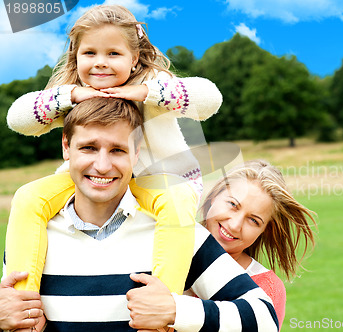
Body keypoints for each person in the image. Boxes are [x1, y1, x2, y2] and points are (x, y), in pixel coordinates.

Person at [1, 97, 278, 332]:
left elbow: (266, 318)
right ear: (66, 147)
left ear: (136, 154)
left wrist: (176, 311)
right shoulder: (34, 235)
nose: (102, 164)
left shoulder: (179, 233)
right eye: (88, 147)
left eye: (118, 150)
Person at [5, 4, 222, 296]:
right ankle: (22, 298)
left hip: (159, 180)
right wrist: (70, 95)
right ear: (76, 56)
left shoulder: (152, 86)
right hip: (91, 180)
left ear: (134, 59)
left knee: (177, 199)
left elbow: (211, 99)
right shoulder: (73, 94)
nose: (100, 63)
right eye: (90, 53)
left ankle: (163, 299)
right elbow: (17, 119)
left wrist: (147, 93)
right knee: (28, 197)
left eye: (113, 53)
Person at [196, 159, 317, 330]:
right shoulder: (160, 245)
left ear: (266, 230)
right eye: (232, 204)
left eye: (253, 220)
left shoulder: (266, 288)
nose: (235, 225)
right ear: (214, 197)